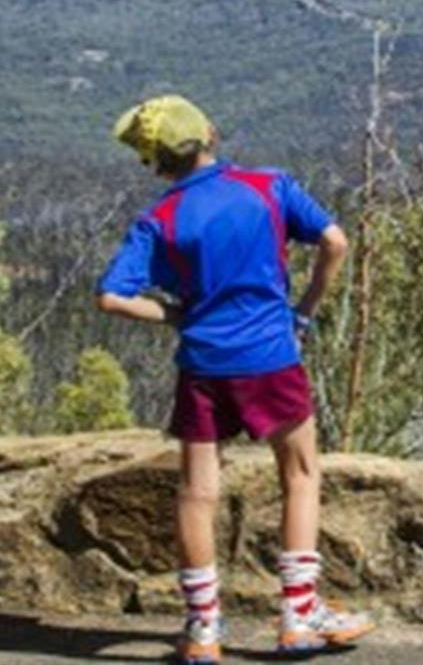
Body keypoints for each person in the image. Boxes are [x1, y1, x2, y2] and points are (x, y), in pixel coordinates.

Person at [94, 94, 374, 662]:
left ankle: (203, 631)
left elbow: (112, 297)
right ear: (210, 135)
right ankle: (298, 614)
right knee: (300, 475)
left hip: (203, 366)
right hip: (272, 356)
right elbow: (335, 241)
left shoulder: (160, 219)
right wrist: (306, 310)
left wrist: (175, 315)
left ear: (155, 162)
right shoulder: (267, 186)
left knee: (197, 494)